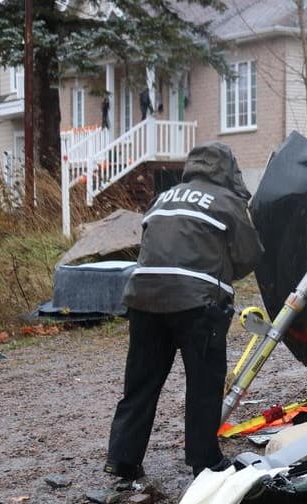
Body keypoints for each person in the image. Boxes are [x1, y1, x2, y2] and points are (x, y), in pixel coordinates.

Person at [104, 142, 263, 480]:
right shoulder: (227, 202)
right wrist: (221, 269)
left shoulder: (164, 197)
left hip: (144, 299)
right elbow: (249, 254)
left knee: (141, 384)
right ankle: (205, 462)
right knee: (204, 383)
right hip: (197, 303)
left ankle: (121, 461)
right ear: (228, 169)